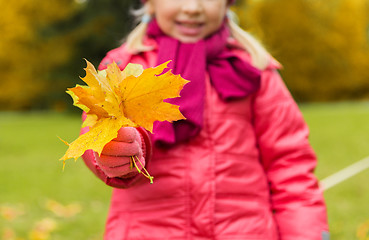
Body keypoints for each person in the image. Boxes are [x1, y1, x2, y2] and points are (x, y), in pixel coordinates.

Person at [81, 0, 330, 239]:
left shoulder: (253, 70)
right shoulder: (122, 69)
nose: (193, 8)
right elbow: (95, 136)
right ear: (150, 2)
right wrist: (119, 151)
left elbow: (290, 166)